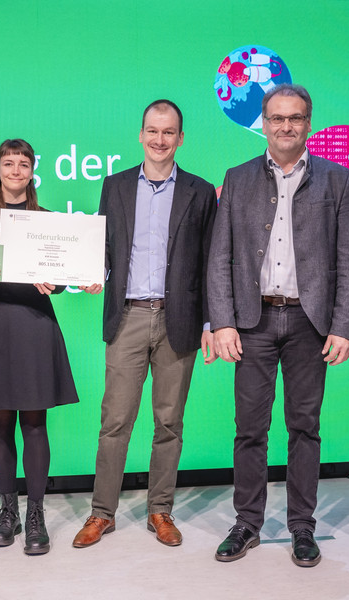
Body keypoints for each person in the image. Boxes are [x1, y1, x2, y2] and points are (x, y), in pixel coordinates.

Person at [207, 83, 349, 567]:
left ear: (308, 124)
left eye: (295, 118)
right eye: (277, 118)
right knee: (249, 429)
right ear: (264, 124)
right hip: (252, 322)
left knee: (304, 428)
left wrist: (345, 326)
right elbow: (220, 257)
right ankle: (247, 523)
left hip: (309, 322)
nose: (286, 126)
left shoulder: (337, 179)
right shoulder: (236, 178)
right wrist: (223, 321)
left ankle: (302, 526)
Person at [71, 99, 218, 549]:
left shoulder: (200, 190)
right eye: (153, 131)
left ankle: (160, 510)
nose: (160, 140)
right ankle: (102, 514)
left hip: (180, 320)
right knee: (115, 421)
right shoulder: (114, 186)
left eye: (169, 132)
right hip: (129, 316)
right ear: (141, 134)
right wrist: (87, 276)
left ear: (180, 138)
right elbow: (104, 249)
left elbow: (210, 263)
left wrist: (213, 321)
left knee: (169, 422)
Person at [0, 139, 80, 556]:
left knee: (35, 423)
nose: (16, 170)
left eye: (23, 164)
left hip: (34, 325)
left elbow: (60, 279)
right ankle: (8, 511)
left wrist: (55, 282)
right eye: (9, 163)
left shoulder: (46, 219)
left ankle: (36, 516)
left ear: (32, 171)